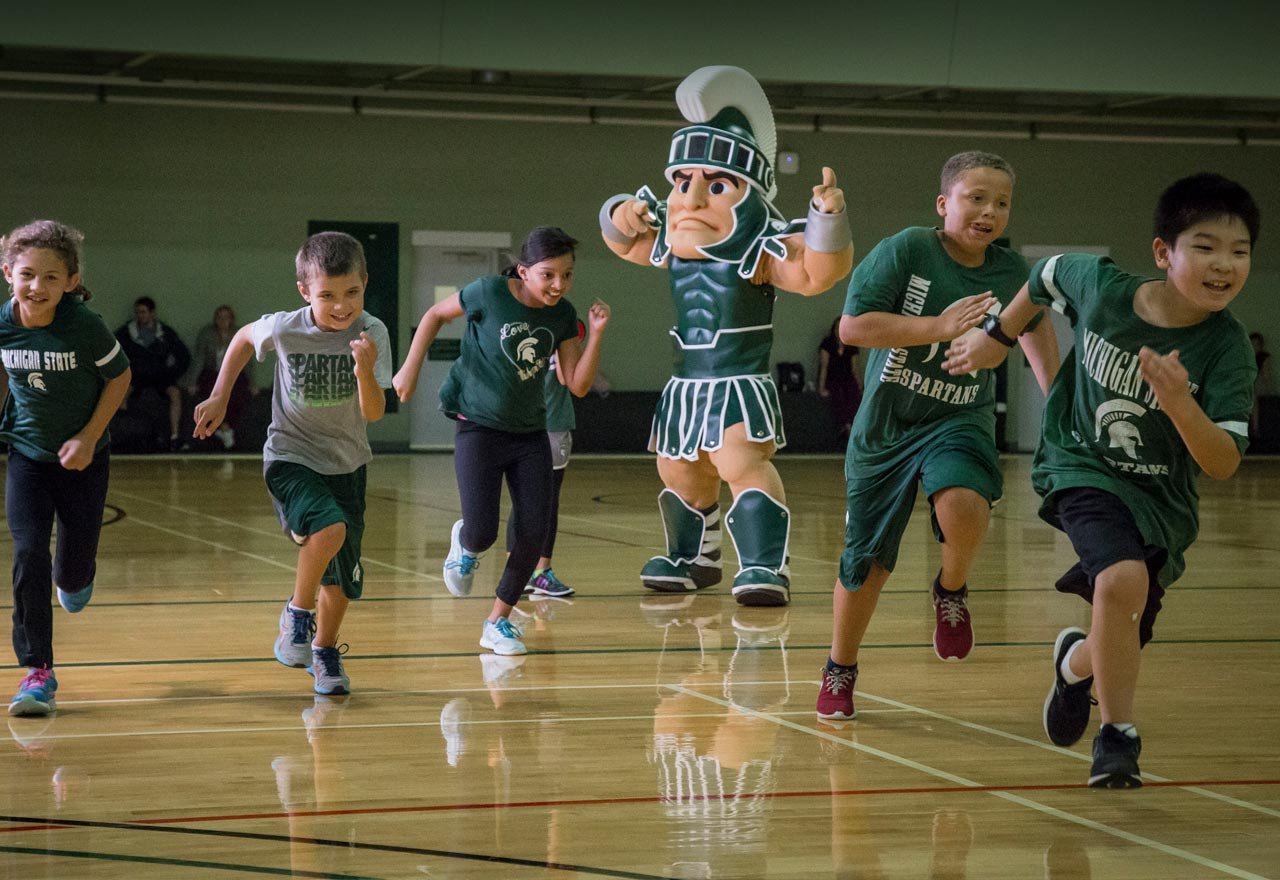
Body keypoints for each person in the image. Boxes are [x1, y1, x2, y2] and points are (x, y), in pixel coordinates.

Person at [941, 172, 1260, 788]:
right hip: (1080, 462)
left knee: (1125, 626)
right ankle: (1117, 737)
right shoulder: (1103, 288)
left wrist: (1180, 405)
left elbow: (1222, 463)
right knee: (1121, 578)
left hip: (1159, 500)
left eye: (1239, 252)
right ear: (1164, 253)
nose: (1224, 264)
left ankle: (1073, 666)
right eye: (1206, 246)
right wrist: (997, 338)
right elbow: (1042, 277)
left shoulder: (1227, 351)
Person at [815, 151, 1060, 723]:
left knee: (966, 504)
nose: (989, 211)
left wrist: (1059, 401)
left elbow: (1036, 322)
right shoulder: (907, 249)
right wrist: (938, 327)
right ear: (944, 203)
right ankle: (840, 666)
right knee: (867, 561)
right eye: (976, 198)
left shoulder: (1008, 272)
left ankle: (951, 590)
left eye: (1001, 202)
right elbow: (853, 328)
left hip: (959, 418)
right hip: (887, 426)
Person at [600, 65, 852, 607]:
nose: (690, 200)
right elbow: (622, 241)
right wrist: (619, 212)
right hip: (687, 383)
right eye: (680, 182)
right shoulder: (670, 241)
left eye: (716, 185)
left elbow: (816, 275)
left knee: (740, 461)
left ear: (753, 196)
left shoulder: (763, 249)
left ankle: (765, 563)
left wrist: (828, 219)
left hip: (737, 381)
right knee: (678, 467)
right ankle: (696, 557)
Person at [393, 227, 610, 657]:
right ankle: (466, 544)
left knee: (533, 531)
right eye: (548, 275)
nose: (559, 285)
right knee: (483, 530)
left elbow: (577, 385)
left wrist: (597, 333)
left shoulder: (563, 315)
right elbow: (435, 315)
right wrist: (410, 369)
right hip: (478, 427)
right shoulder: (488, 292)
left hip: (530, 432)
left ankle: (497, 621)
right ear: (524, 271)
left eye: (567, 275)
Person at [194, 231, 392, 696]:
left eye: (352, 293)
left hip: (348, 464)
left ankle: (323, 652)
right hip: (291, 456)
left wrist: (365, 370)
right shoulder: (286, 327)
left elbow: (374, 412)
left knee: (342, 577)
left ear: (364, 282)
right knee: (330, 529)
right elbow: (244, 338)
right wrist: (220, 393)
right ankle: (296, 615)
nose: (341, 306)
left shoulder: (372, 332)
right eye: (327, 295)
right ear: (305, 291)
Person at [0, 220, 131, 716]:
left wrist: (88, 436)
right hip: (28, 457)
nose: (38, 287)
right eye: (28, 274)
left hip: (84, 459)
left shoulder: (83, 326)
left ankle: (75, 577)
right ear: (8, 272)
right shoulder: (3, 322)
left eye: (52, 278)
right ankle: (38, 673)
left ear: (71, 282)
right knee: (28, 552)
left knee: (71, 576)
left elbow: (120, 379)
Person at [512, 334, 582, 600]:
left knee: (537, 502)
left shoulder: (547, 330)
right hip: (537, 424)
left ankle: (529, 573)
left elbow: (566, 377)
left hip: (539, 423)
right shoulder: (531, 331)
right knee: (535, 503)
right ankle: (528, 573)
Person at [115, 296, 190, 450]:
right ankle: (121, 437)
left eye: (143, 312)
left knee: (175, 395)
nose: (140, 315)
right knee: (120, 396)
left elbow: (184, 356)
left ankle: (175, 436)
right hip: (136, 375)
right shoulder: (125, 333)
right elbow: (114, 354)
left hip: (160, 376)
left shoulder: (165, 334)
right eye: (138, 312)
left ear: (152, 313)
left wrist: (172, 373)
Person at [187, 304, 255, 449]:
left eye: (226, 317)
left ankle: (227, 427)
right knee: (211, 391)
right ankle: (223, 428)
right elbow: (199, 359)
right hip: (211, 373)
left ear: (231, 319)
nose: (223, 320)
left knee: (238, 393)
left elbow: (247, 361)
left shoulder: (238, 333)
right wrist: (192, 381)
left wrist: (252, 382)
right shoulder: (207, 334)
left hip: (234, 374)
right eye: (220, 317)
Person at [816, 316, 862, 437]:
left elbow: (855, 369)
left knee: (854, 394)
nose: (838, 330)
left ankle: (852, 425)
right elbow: (824, 367)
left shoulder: (852, 346)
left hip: (847, 378)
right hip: (833, 378)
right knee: (838, 395)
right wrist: (821, 387)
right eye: (836, 328)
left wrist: (860, 386)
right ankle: (846, 425)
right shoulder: (827, 344)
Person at [1250, 331, 1275, 437]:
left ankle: (1255, 429)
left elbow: (1266, 376)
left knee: (1253, 398)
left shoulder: (1264, 357)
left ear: (1261, 346)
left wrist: (1270, 390)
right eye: (1252, 344)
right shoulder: (1245, 356)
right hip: (1250, 385)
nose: (1254, 347)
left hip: (1260, 385)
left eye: (1257, 345)